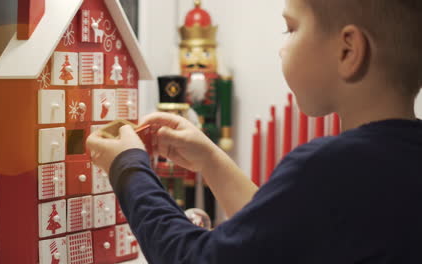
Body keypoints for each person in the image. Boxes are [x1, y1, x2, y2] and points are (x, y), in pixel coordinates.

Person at [86, 0, 422, 262]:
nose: (282, 47)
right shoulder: (391, 165)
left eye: (290, 29)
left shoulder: (328, 168)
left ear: (348, 50)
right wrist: (211, 160)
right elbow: (274, 235)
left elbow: (194, 259)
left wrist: (128, 167)